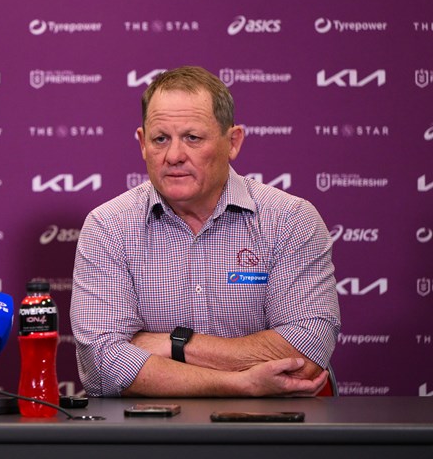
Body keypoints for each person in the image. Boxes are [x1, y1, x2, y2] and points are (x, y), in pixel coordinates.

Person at [71, 66, 340, 398]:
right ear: (143, 144)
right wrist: (239, 384)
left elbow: (306, 353)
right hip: (151, 438)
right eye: (160, 139)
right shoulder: (108, 227)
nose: (174, 156)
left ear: (233, 142)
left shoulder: (289, 219)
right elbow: (102, 365)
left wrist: (171, 344)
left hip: (272, 435)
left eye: (192, 138)